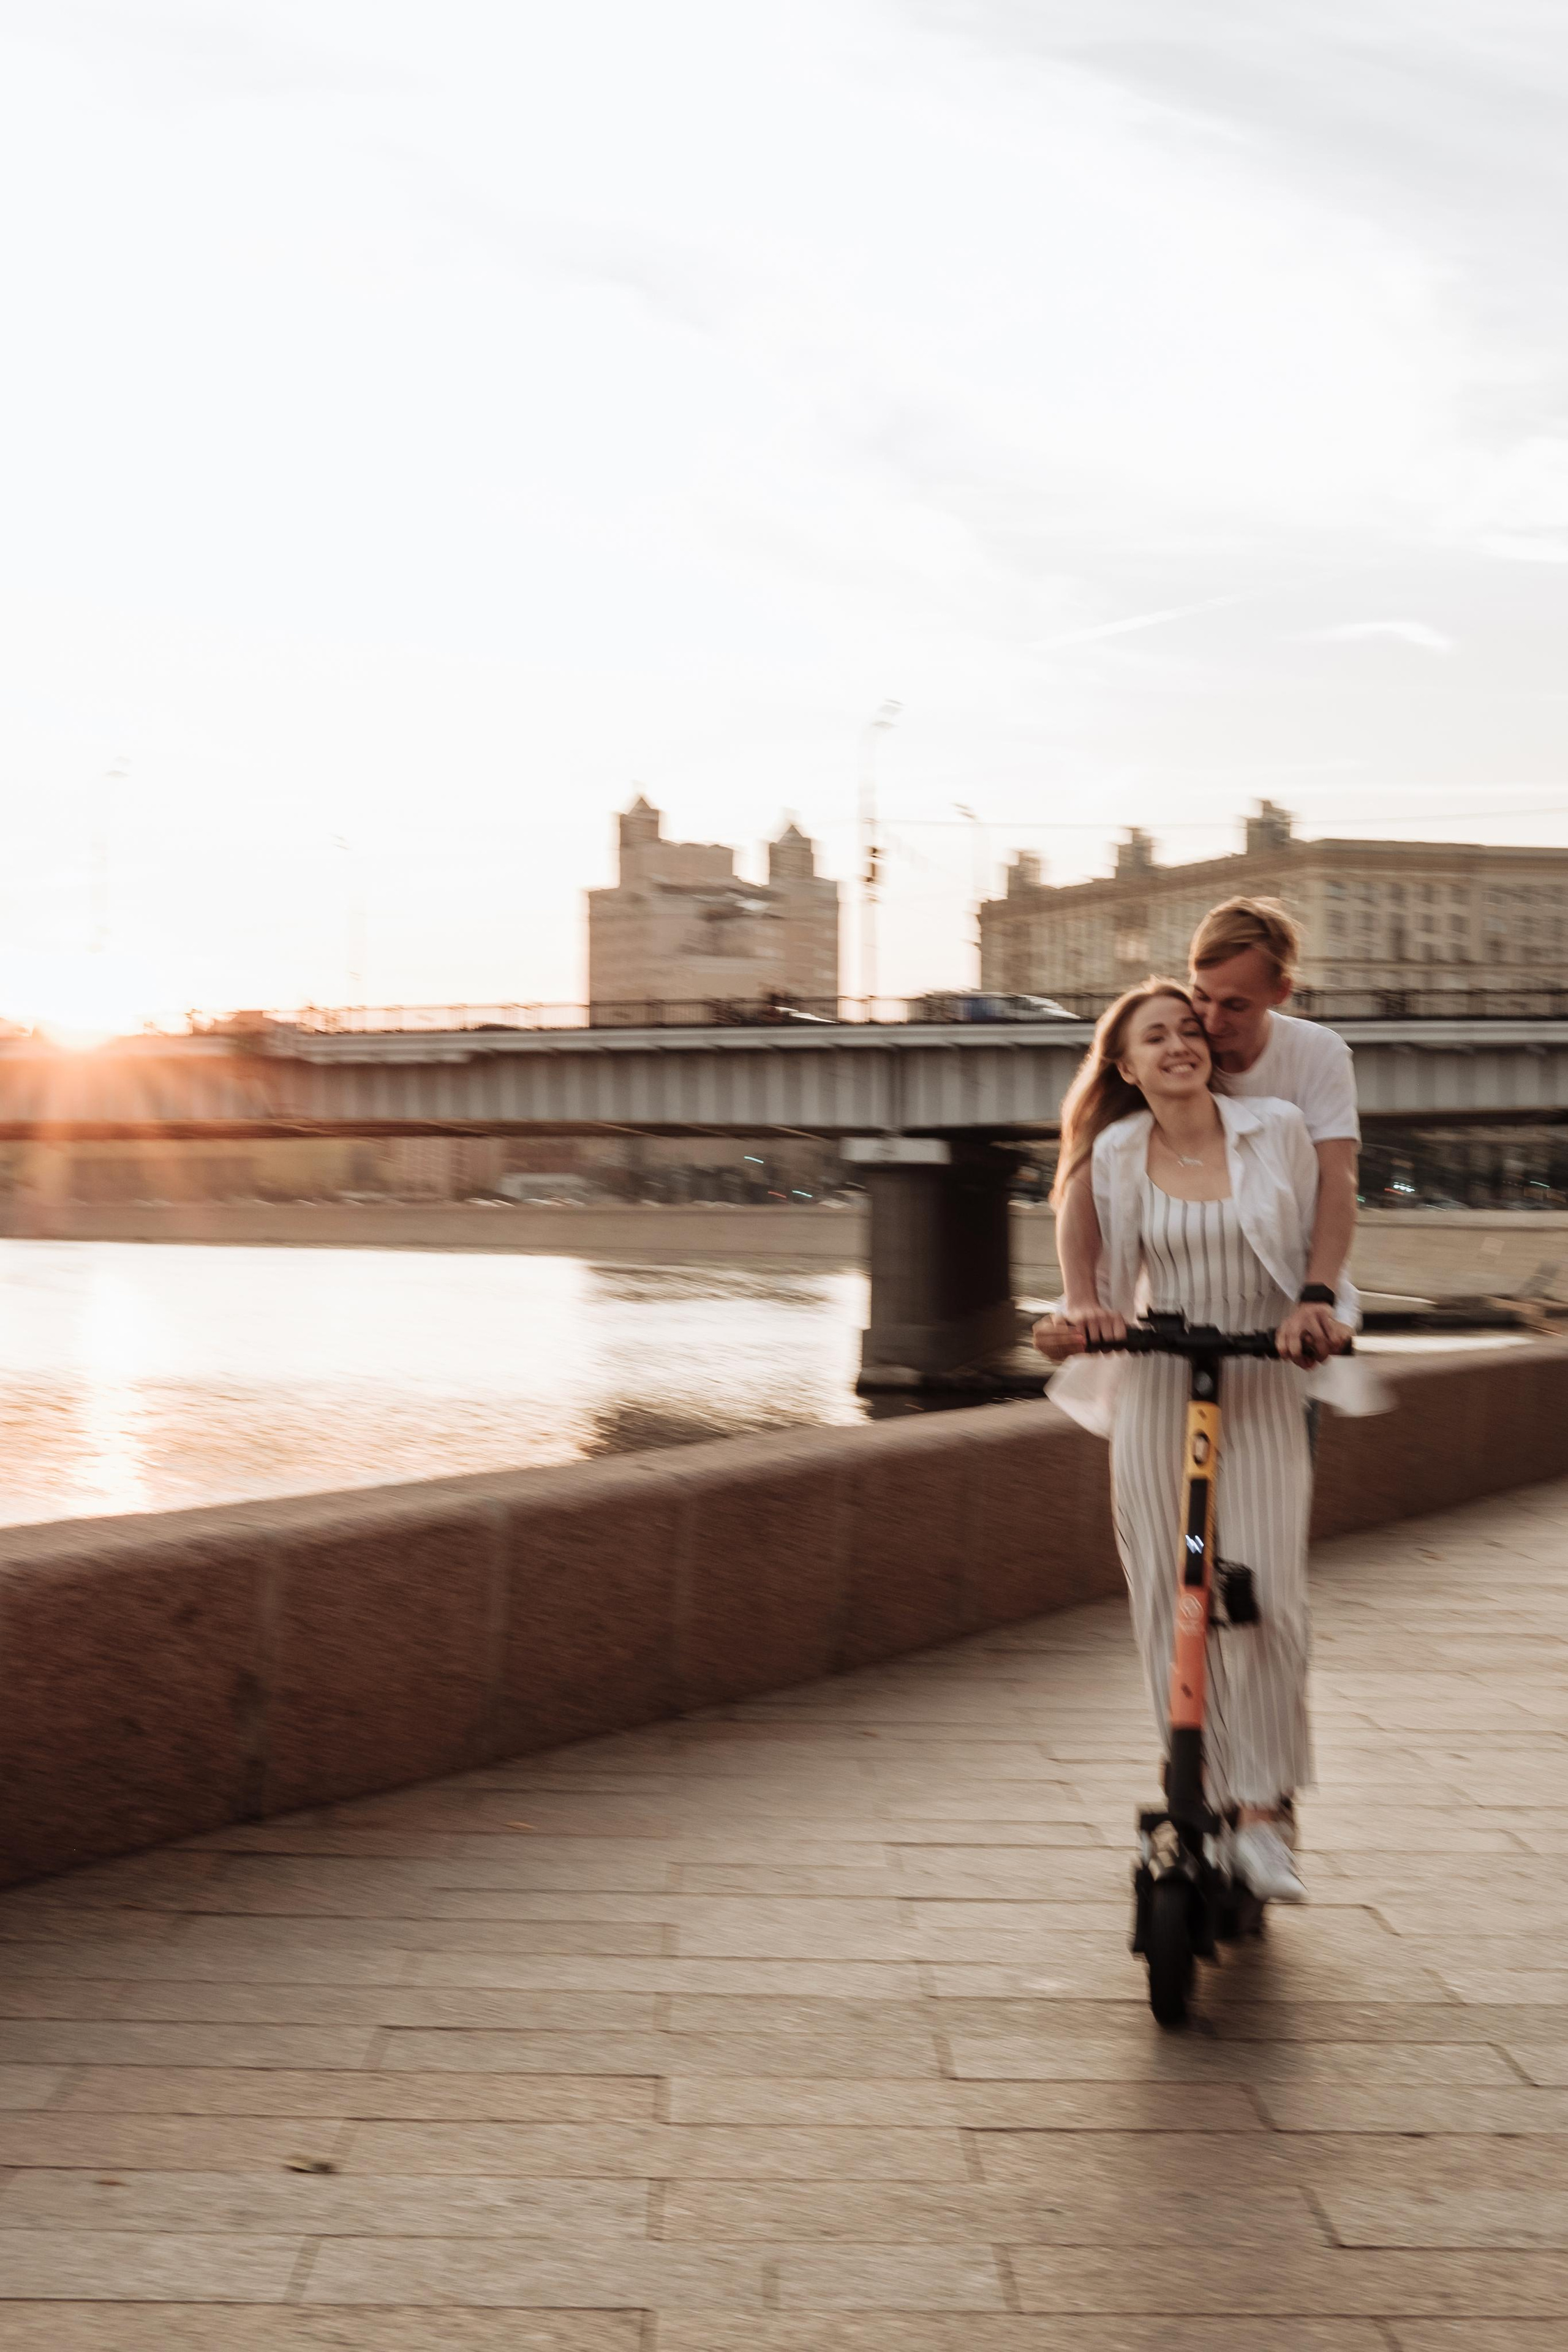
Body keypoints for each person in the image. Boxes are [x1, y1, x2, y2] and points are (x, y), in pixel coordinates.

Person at [1034, 979, 1378, 1905]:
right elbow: (1087, 1254)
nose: (1181, 1044)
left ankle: (1262, 1816)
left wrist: (1321, 1310)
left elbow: (1322, 1234)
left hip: (1261, 1376)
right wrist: (1078, 1317)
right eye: (1156, 1036)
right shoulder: (1115, 1149)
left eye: (1189, 1030)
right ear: (1124, 1064)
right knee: (1170, 1593)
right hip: (1161, 1384)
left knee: (1264, 1597)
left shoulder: (1274, 1128)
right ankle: (1198, 1786)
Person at [1055, 897, 1359, 1364]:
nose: (1212, 1023)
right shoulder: (1184, 1042)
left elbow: (1337, 1181)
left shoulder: (1316, 1053)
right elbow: (1087, 1173)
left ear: (1281, 991)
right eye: (1202, 996)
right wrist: (1079, 1301)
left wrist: (1319, 1295)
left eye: (1235, 1005)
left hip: (1283, 1297)